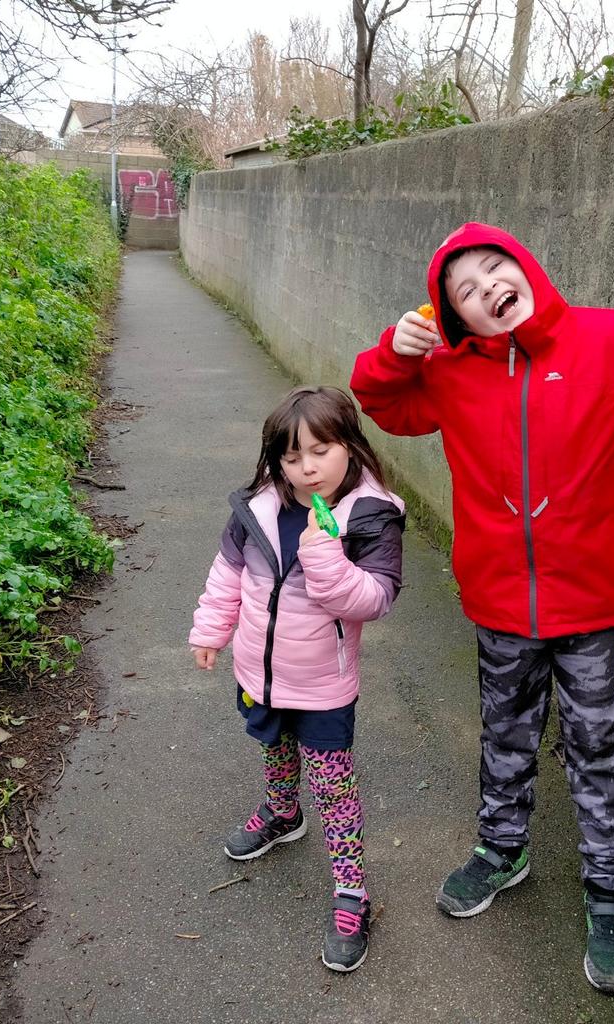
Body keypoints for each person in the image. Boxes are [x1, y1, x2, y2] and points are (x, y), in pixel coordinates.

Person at [349, 222, 614, 993]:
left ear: (526, 266)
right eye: (465, 291)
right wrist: (394, 353)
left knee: (597, 748)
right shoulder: (450, 371)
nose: (488, 289)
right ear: (455, 318)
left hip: (598, 604)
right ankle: (502, 850)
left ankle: (610, 894)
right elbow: (384, 404)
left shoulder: (612, 341)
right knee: (505, 732)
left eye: (495, 268)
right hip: (499, 600)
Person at [189, 385, 405, 973]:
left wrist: (325, 554)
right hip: (259, 670)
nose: (306, 468)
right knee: (274, 745)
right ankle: (284, 812)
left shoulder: (369, 516)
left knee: (334, 787)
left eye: (320, 450)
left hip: (322, 683)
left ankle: (352, 893)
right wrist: (210, 630)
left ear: (350, 446)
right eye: (291, 456)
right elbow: (227, 575)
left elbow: (374, 599)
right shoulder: (257, 509)